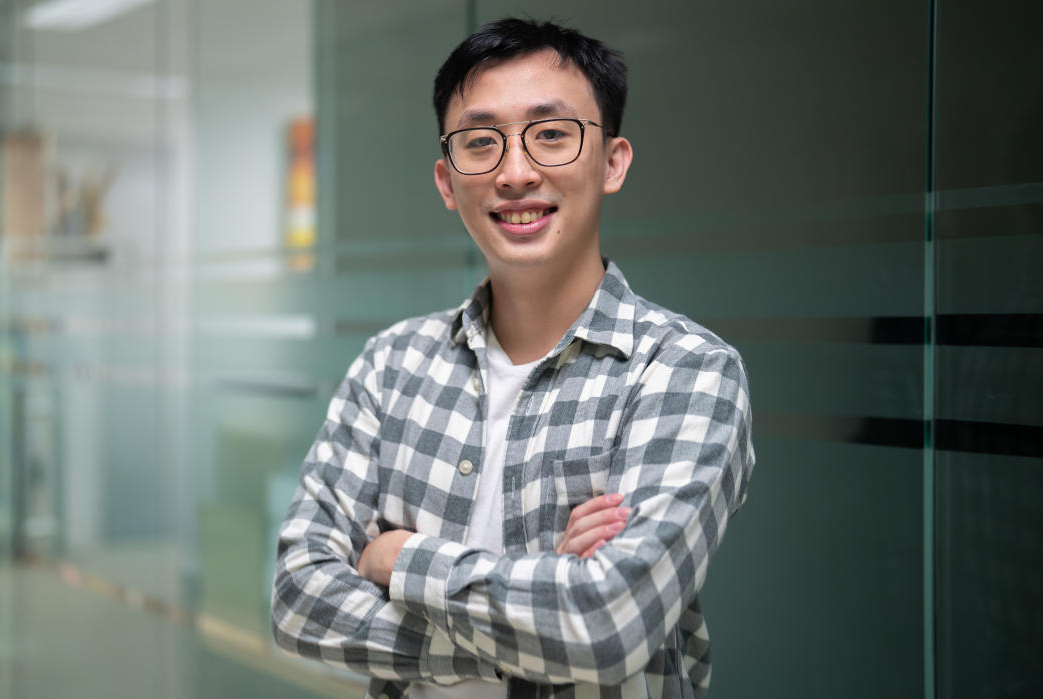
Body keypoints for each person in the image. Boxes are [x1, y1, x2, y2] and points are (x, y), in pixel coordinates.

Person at [272, 18, 754, 699]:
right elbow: (298, 598)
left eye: (551, 134)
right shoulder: (391, 365)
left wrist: (398, 556)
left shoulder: (686, 371)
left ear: (612, 161)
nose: (516, 172)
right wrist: (541, 599)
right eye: (480, 142)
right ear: (446, 180)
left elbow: (604, 625)